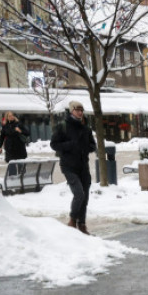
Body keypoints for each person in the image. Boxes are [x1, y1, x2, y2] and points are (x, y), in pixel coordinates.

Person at [50, 100, 97, 235]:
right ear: (71, 111)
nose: (80, 112)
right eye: (77, 110)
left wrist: (86, 148)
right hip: (68, 166)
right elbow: (54, 144)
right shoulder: (63, 126)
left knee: (85, 196)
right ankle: (72, 220)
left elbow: (93, 145)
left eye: (82, 110)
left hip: (83, 166)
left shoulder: (86, 127)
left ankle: (81, 224)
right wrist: (70, 145)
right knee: (79, 193)